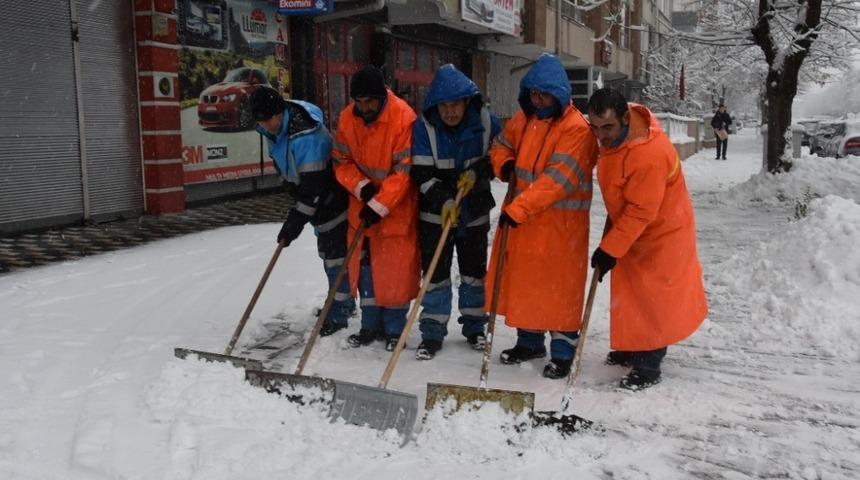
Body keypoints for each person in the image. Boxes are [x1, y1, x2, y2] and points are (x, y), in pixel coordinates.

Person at [586, 87, 708, 390]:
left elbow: (641, 210)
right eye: (596, 128)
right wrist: (610, 241)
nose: (601, 136)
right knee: (629, 290)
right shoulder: (616, 141)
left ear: (626, 118)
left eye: (608, 127)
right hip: (633, 228)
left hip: (663, 232)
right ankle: (631, 345)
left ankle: (649, 364)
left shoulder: (648, 153)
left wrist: (609, 248)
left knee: (653, 298)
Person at [486, 53, 599, 379]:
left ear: (560, 94)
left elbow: (557, 181)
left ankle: (563, 351)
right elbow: (501, 144)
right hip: (524, 224)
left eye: (544, 94)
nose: (538, 100)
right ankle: (529, 342)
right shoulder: (524, 119)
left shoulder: (576, 129)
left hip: (560, 229)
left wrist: (517, 209)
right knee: (526, 285)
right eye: (533, 94)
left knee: (559, 290)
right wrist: (504, 164)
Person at [409, 64, 501, 360]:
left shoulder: (486, 121)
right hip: (435, 215)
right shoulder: (424, 127)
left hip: (474, 211)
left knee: (474, 272)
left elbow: (500, 156)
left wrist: (478, 172)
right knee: (435, 274)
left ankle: (475, 327)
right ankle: (432, 332)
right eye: (444, 106)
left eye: (455, 105)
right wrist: (444, 200)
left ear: (466, 102)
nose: (450, 112)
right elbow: (421, 173)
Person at [249, 87, 355, 334]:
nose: (265, 126)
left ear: (280, 112)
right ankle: (343, 302)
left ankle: (339, 313)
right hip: (313, 196)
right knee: (328, 253)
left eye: (268, 120)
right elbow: (290, 170)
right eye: (260, 122)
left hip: (331, 197)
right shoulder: (274, 130)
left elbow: (313, 185)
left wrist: (294, 222)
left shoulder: (306, 134)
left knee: (335, 256)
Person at [332, 65, 420, 352]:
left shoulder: (403, 117)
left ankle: (395, 329)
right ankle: (370, 325)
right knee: (365, 269)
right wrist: (361, 188)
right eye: (359, 102)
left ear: (382, 96)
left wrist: (379, 203)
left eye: (369, 101)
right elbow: (341, 161)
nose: (364, 107)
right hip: (362, 208)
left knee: (394, 271)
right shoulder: (348, 119)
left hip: (395, 209)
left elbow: (405, 170)